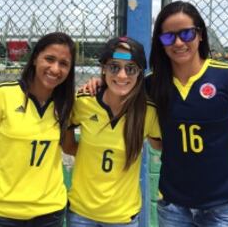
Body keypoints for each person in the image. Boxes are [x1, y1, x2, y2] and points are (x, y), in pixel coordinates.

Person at [82, 1, 228, 227]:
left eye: (186, 34)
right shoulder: (151, 85)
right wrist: (99, 83)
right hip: (173, 205)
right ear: (161, 43)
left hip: (223, 205)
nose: (178, 43)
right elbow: (121, 86)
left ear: (200, 35)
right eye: (168, 37)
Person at [0, 32, 76, 227]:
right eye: (49, 59)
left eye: (64, 63)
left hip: (50, 214)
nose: (55, 69)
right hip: (3, 214)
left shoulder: (67, 103)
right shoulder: (2, 93)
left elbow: (69, 147)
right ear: (35, 59)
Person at [62, 36, 161, 227]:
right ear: (103, 69)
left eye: (130, 68)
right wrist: (89, 155)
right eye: (114, 67)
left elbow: (159, 144)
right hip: (81, 213)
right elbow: (67, 145)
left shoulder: (147, 111)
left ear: (140, 73)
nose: (122, 75)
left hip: (122, 217)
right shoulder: (83, 101)